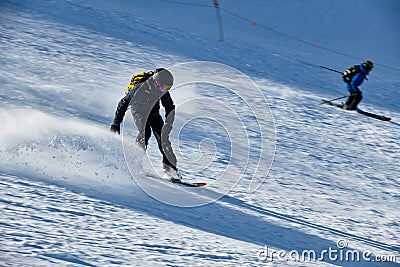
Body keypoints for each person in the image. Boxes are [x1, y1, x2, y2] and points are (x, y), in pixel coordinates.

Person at [110, 68, 180, 179]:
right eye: (164, 87)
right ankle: (135, 166)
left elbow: (170, 107)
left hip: (153, 113)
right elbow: (123, 103)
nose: (164, 90)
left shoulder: (162, 91)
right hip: (139, 112)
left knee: (164, 139)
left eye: (168, 88)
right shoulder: (141, 88)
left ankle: (171, 171)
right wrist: (116, 124)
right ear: (156, 82)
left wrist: (169, 124)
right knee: (145, 133)